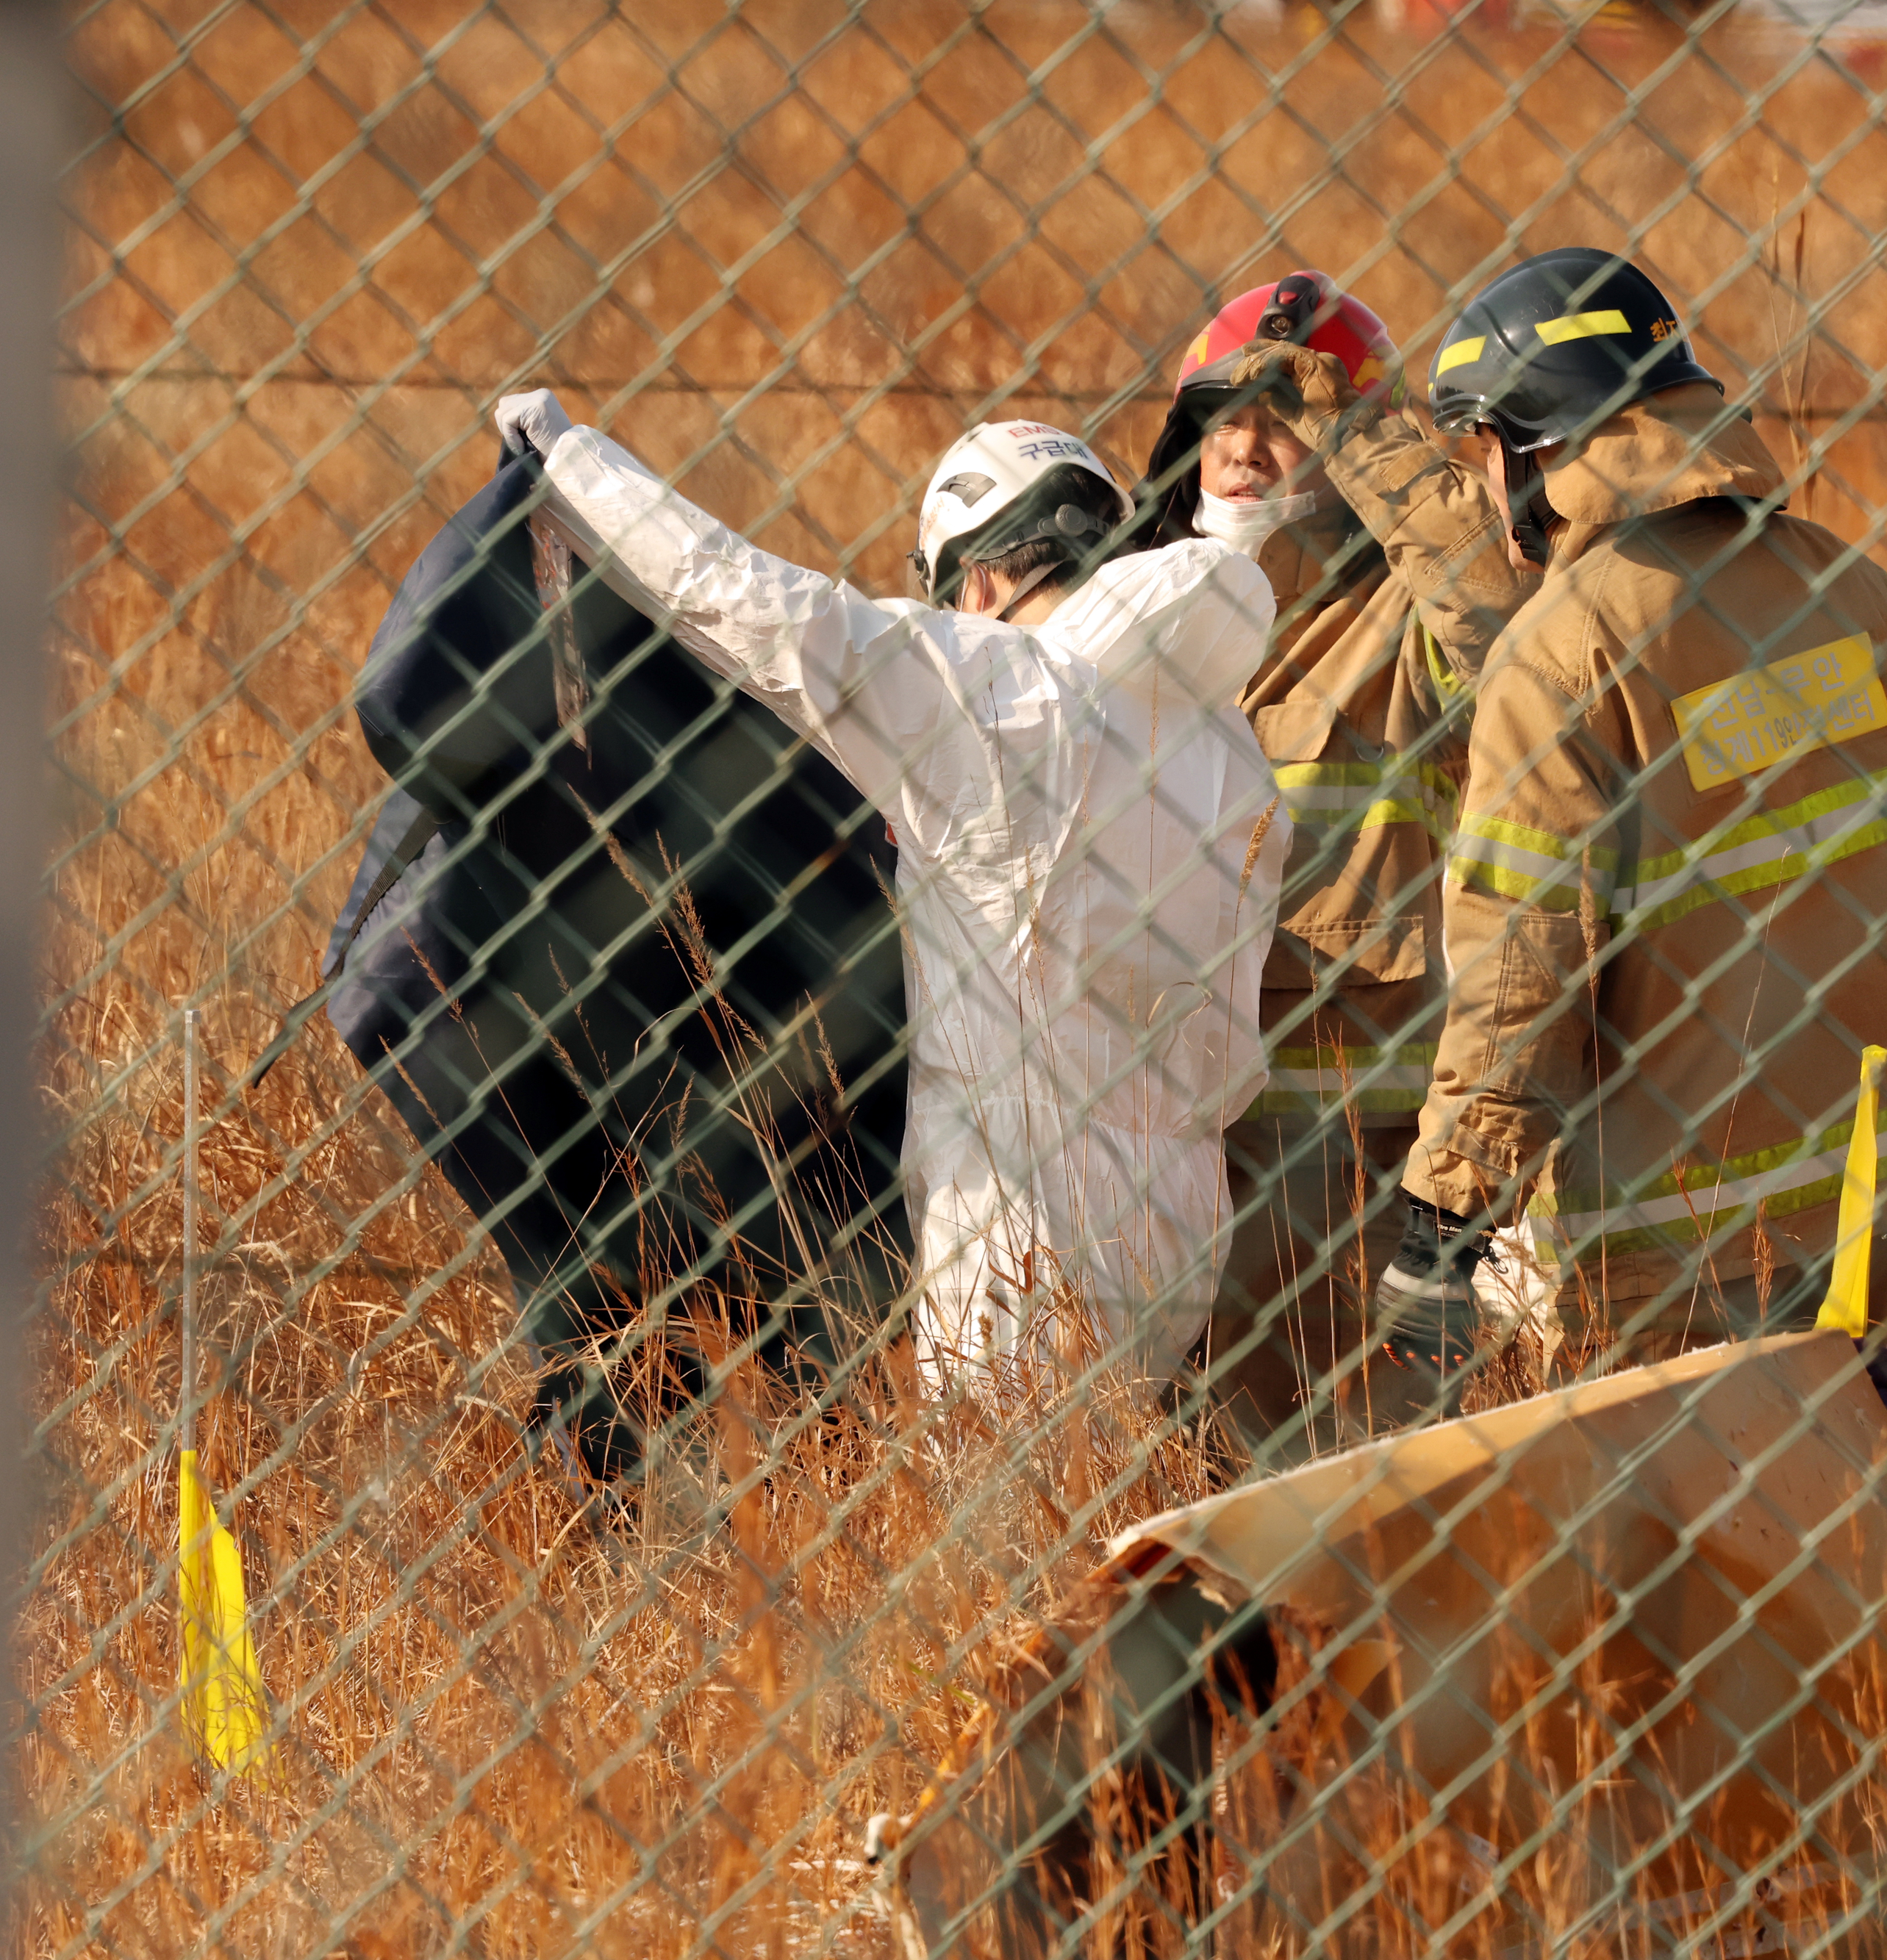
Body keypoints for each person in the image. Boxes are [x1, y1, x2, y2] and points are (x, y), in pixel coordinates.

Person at [1259, 246, 1887, 1377]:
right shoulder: (1844, 586)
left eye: (1487, 449)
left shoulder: (1567, 650)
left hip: (1677, 1238)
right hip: (1867, 1201)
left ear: (1534, 448)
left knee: (1660, 1539)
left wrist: (1446, 1224)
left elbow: (1528, 956)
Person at [497, 390, 1285, 1401]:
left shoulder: (992, 688)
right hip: (1184, 1223)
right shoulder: (1225, 745)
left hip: (1018, 1220)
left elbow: (756, 606)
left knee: (1003, 1540)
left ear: (985, 574)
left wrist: (572, 465)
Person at [318, 420, 912, 1487]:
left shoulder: (573, 720)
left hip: (482, 1012)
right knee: (629, 1321)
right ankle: (669, 1536)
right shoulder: (689, 702)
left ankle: (642, 1546)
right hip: (513, 1024)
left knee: (612, 1320)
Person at [1132, 271, 1539, 1462]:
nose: (1249, 448)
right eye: (1226, 417)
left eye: (1287, 419)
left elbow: (1498, 612)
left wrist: (1363, 432)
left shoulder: (1406, 627)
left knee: (1325, 1474)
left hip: (1335, 1151)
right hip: (1154, 1131)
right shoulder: (1131, 601)